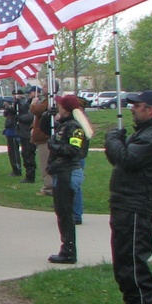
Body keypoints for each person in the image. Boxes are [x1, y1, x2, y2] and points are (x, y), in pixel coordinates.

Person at [103, 90, 152, 304]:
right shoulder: (142, 133)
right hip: (126, 200)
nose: (132, 109)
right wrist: (117, 143)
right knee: (122, 254)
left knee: (132, 255)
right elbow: (120, 159)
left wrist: (112, 139)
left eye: (137, 105)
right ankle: (133, 303)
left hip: (138, 203)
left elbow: (128, 159)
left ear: (150, 109)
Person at [46, 94, 90, 264]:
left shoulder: (75, 127)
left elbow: (73, 149)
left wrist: (54, 146)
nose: (58, 108)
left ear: (66, 108)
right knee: (61, 213)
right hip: (60, 172)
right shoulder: (64, 125)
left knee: (66, 214)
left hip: (68, 172)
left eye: (60, 106)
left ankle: (69, 251)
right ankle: (66, 248)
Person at [3, 89, 25, 176]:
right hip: (10, 128)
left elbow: (18, 112)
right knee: (11, 151)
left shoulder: (21, 103)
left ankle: (17, 169)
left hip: (14, 129)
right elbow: (6, 114)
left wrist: (11, 107)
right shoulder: (14, 103)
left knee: (14, 151)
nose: (14, 97)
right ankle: (15, 168)